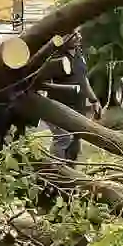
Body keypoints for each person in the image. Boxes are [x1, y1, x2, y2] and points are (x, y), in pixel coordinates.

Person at [42, 29, 103, 163]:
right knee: (63, 138)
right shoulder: (54, 56)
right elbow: (43, 83)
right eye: (73, 34)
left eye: (78, 33)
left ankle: (70, 178)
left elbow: (83, 79)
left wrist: (93, 100)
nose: (79, 36)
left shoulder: (79, 54)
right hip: (59, 107)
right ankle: (56, 174)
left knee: (75, 144)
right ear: (63, 37)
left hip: (78, 108)